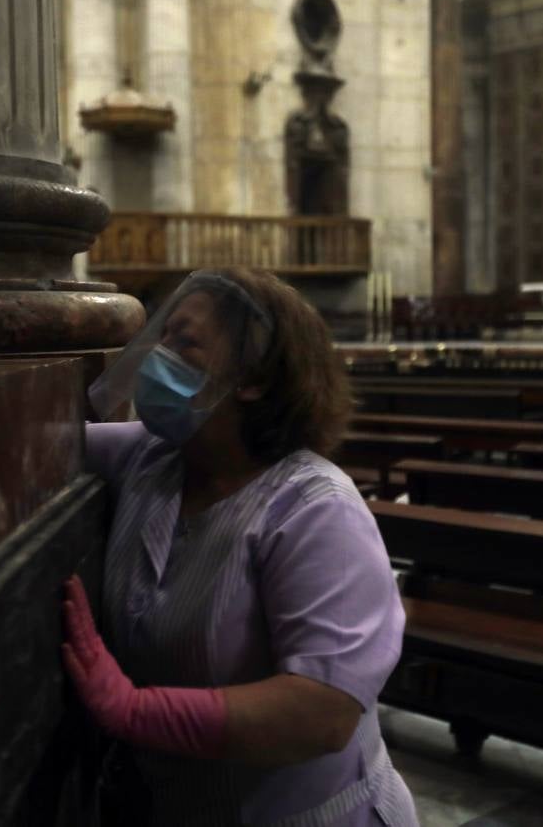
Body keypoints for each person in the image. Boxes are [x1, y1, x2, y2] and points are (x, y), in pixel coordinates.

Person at [61, 268, 416, 826]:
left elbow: (322, 712)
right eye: (162, 337)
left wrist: (133, 711)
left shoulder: (317, 510)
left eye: (184, 344)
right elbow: (42, 444)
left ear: (252, 378)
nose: (159, 358)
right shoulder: (150, 458)